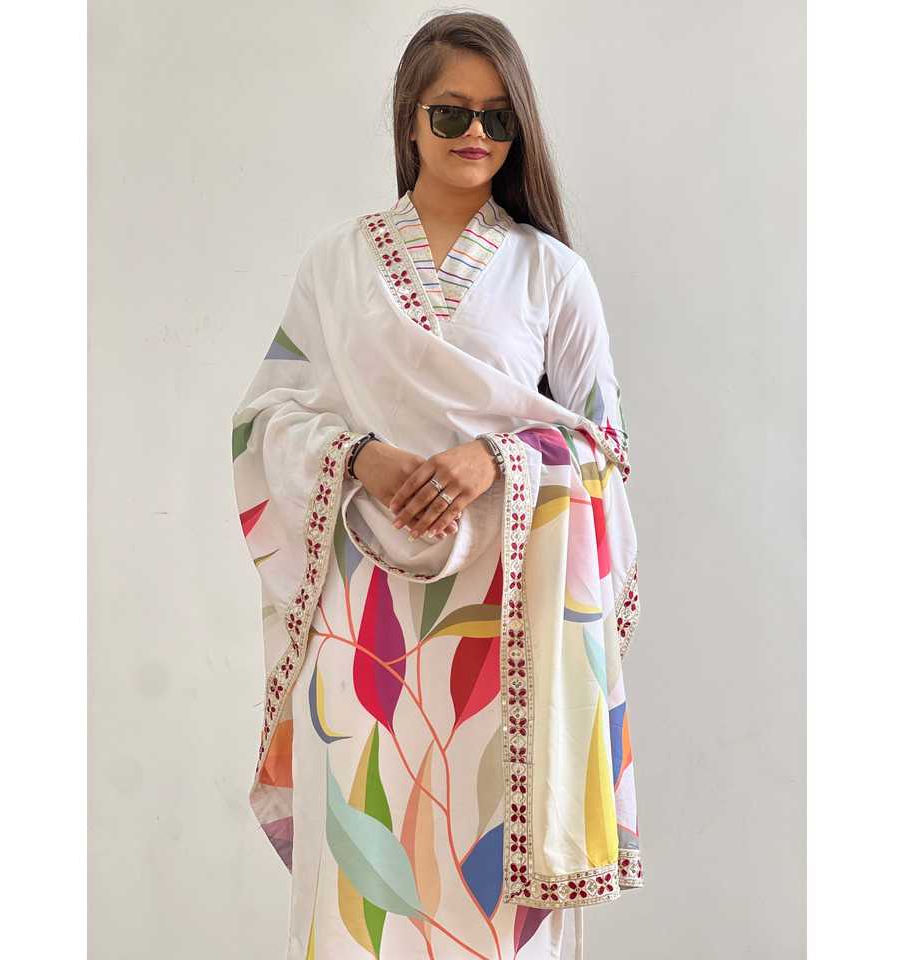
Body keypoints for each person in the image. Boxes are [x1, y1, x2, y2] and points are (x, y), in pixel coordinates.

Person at [231, 12, 643, 959]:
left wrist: (495, 458)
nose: (476, 135)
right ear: (409, 118)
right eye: (452, 112)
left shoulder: (551, 271)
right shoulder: (337, 262)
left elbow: (606, 449)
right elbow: (265, 418)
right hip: (363, 617)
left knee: (489, 879)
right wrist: (360, 455)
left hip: (511, 619)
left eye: (499, 117)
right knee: (369, 869)